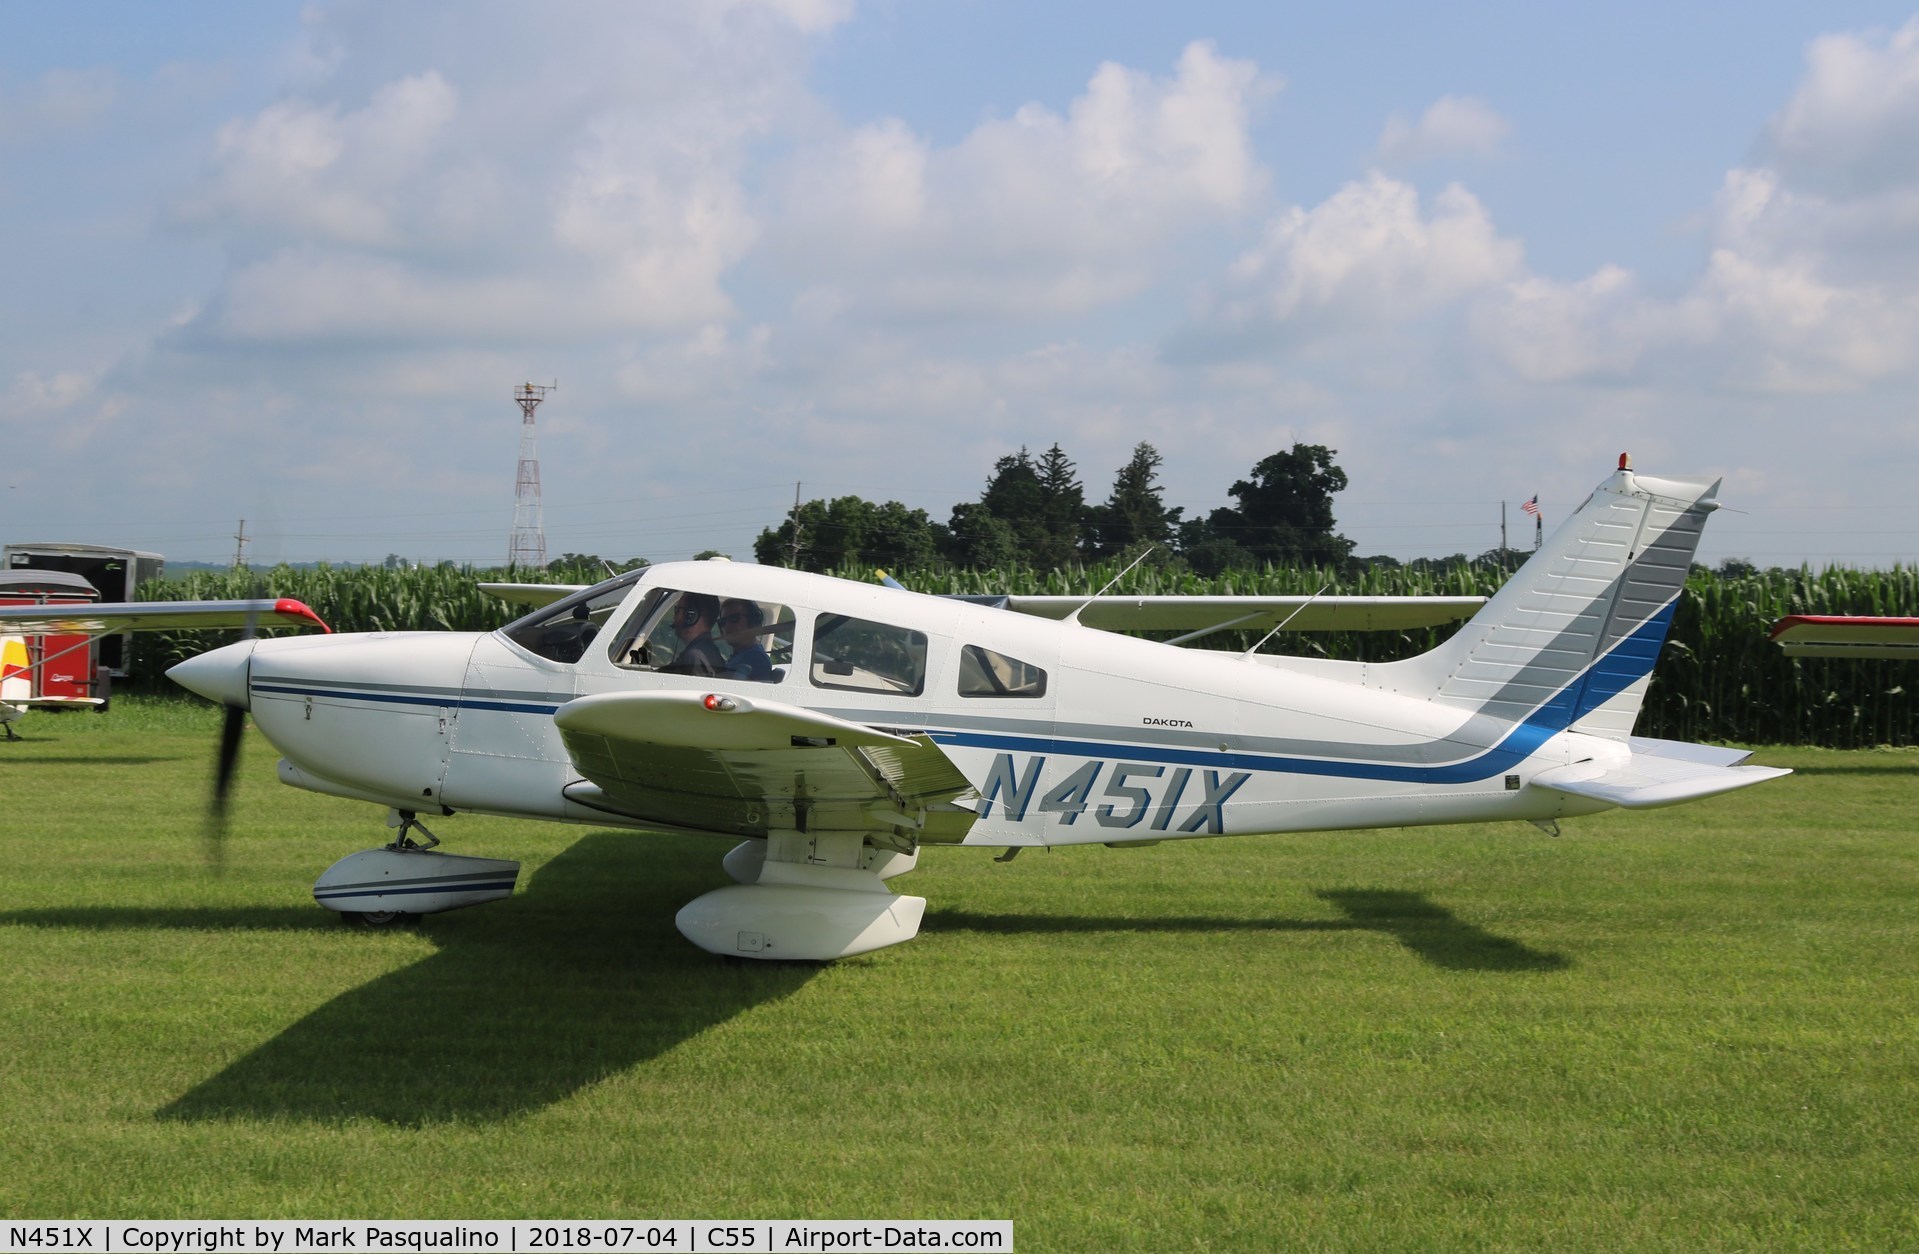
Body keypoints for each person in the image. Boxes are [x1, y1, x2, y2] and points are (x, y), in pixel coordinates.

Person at [661, 593, 724, 675]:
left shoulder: (695, 656)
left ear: (691, 616)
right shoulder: (701, 651)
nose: (674, 617)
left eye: (678, 610)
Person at [718, 598, 774, 682]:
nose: (727, 626)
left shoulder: (755, 659)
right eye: (723, 621)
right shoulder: (741, 656)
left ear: (752, 622)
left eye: (734, 618)